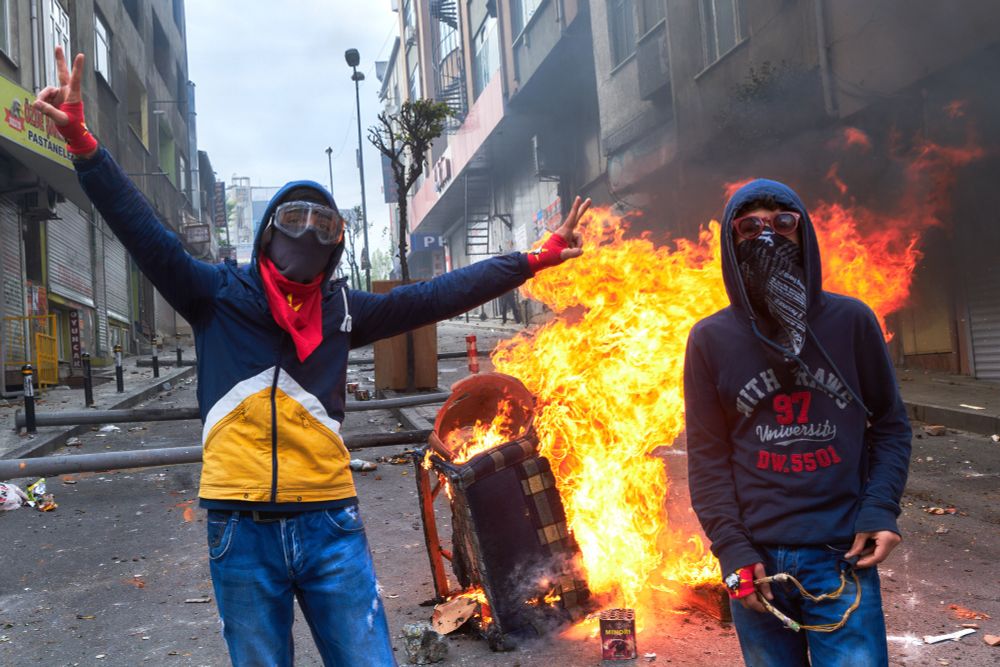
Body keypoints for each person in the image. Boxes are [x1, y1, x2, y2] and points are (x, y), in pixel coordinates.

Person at [34, 47, 592, 666]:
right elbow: (138, 226)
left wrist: (532, 258)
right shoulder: (214, 295)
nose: (309, 233)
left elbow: (438, 294)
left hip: (330, 526)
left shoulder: (343, 312)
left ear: (336, 250)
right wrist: (83, 141)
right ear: (267, 232)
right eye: (294, 219)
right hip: (240, 532)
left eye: (326, 226)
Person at [683, 179, 911, 666]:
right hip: (757, 562)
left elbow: (890, 425)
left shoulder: (851, 322)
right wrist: (732, 551)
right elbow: (707, 457)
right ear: (731, 242)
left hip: (839, 557)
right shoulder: (710, 339)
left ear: (803, 233)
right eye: (750, 227)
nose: (768, 236)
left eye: (783, 223)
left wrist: (880, 510)